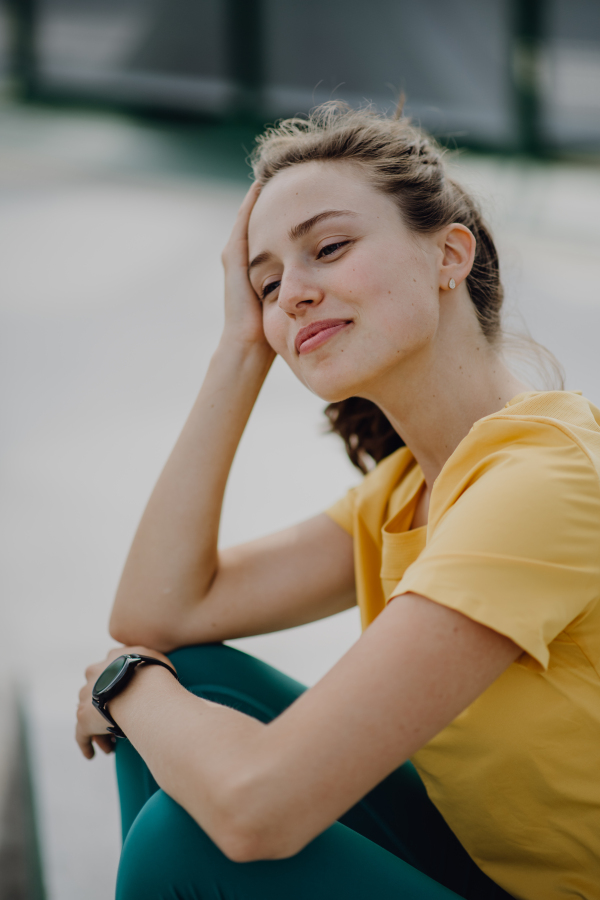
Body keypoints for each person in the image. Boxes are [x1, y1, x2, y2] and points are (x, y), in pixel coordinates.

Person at [75, 103, 600, 900]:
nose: (291, 295)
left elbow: (259, 810)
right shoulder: (405, 489)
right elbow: (160, 614)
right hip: (482, 871)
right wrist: (238, 348)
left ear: (449, 255)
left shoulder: (546, 478)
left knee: (196, 838)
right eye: (268, 284)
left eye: (329, 248)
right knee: (196, 677)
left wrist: (123, 685)